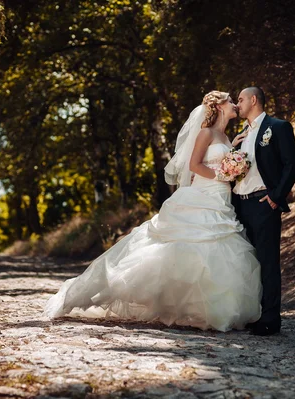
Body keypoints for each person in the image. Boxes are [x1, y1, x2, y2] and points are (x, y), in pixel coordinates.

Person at [44, 91, 262, 332]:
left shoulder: (225, 135)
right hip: (203, 195)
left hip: (221, 198)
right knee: (189, 248)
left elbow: (221, 160)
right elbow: (194, 165)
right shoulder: (206, 132)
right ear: (219, 106)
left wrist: (233, 156)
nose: (234, 104)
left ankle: (213, 309)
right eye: (230, 101)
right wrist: (222, 175)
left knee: (218, 251)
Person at [232, 87, 295, 336]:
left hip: (263, 203)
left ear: (253, 100)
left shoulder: (279, 127)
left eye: (240, 99)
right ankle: (253, 313)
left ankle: (271, 318)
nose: (237, 104)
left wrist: (276, 196)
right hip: (240, 204)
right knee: (247, 262)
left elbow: (292, 164)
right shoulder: (241, 134)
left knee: (268, 262)